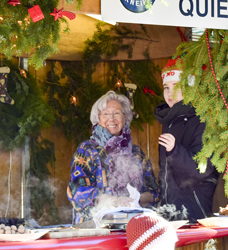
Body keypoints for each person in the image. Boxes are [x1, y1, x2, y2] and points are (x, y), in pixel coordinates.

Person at [67, 90, 159, 224]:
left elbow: (154, 192)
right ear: (97, 119)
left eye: (117, 113)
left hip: (133, 227)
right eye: (105, 114)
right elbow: (76, 191)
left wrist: (137, 199)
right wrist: (114, 201)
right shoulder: (87, 150)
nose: (112, 118)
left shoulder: (136, 153)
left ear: (125, 117)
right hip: (95, 231)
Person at [155, 59, 218, 222]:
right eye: (166, 87)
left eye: (176, 87)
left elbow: (203, 169)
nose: (170, 93)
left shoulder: (202, 119)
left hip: (196, 212)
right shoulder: (168, 121)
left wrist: (175, 150)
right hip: (170, 211)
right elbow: (166, 172)